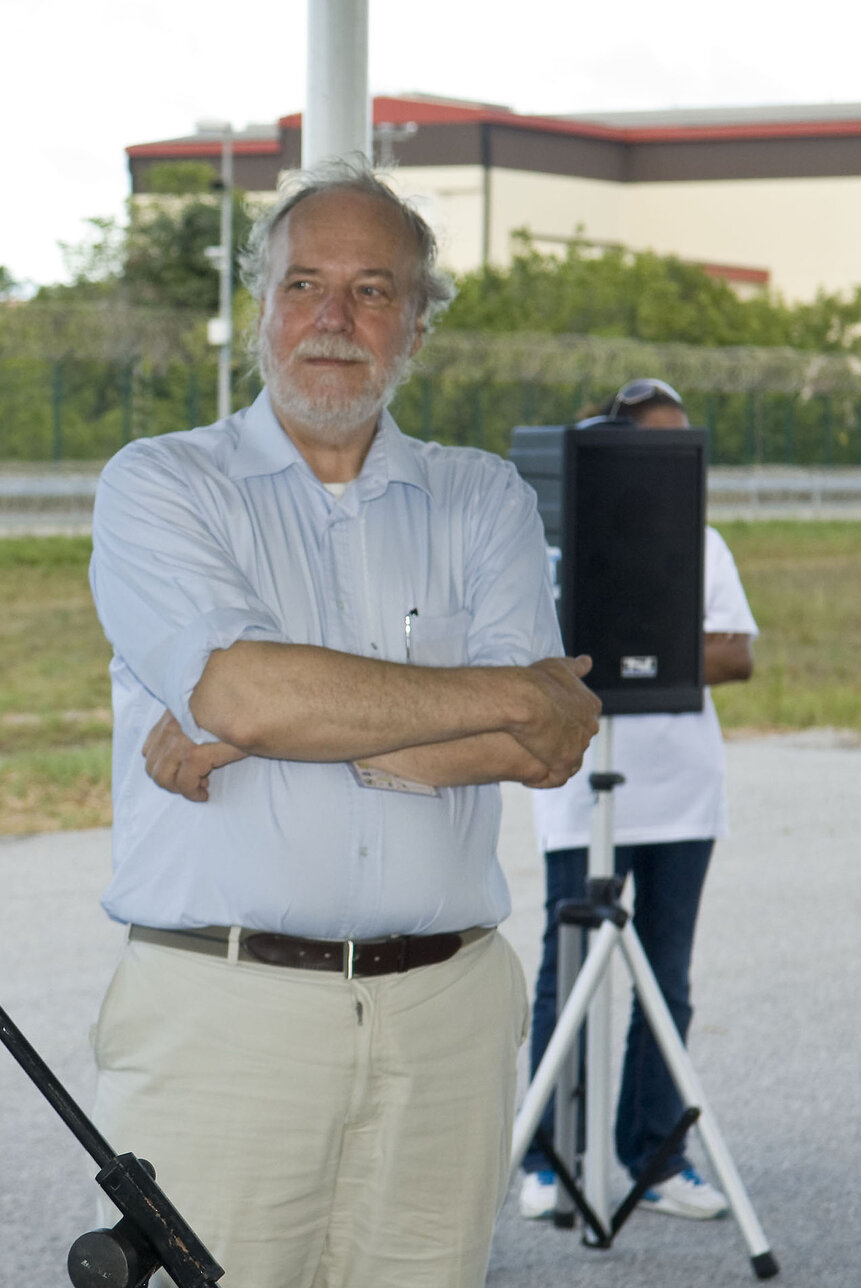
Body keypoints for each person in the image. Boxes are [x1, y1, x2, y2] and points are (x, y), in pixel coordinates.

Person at [86, 158, 602, 1288]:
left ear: (417, 327)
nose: (333, 319)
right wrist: (500, 691)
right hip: (226, 1018)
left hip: (447, 1021)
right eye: (304, 284)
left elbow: (550, 743)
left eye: (373, 290)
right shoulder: (161, 485)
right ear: (258, 307)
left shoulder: (484, 498)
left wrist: (267, 718)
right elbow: (250, 697)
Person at [517, 378, 758, 1222]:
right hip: (581, 793)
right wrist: (651, 643)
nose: (675, 463)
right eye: (656, 444)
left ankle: (656, 1156)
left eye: (685, 445)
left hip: (683, 796)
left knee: (668, 977)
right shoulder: (555, 546)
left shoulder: (705, 542)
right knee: (567, 972)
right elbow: (540, 659)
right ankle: (549, 1156)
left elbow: (735, 657)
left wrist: (640, 641)